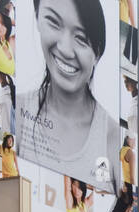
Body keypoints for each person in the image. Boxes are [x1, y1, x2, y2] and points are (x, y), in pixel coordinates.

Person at [17, 0, 120, 189]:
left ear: (97, 53)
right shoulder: (18, 111)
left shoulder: (112, 136)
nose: (65, 49)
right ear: (37, 17)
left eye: (81, 38)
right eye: (53, 22)